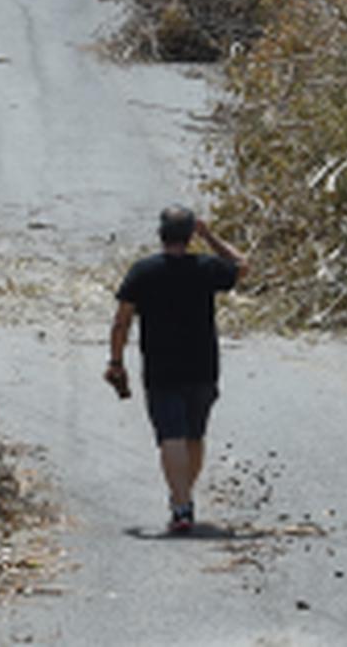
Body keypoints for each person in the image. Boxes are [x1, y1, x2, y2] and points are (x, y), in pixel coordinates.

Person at [106, 205, 245, 535]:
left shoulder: (144, 271)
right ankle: (182, 498)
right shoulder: (207, 267)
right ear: (189, 235)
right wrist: (210, 235)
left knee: (171, 436)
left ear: (160, 234)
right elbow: (241, 265)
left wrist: (116, 361)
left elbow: (121, 320)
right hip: (203, 365)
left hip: (161, 366)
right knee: (194, 435)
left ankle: (181, 504)